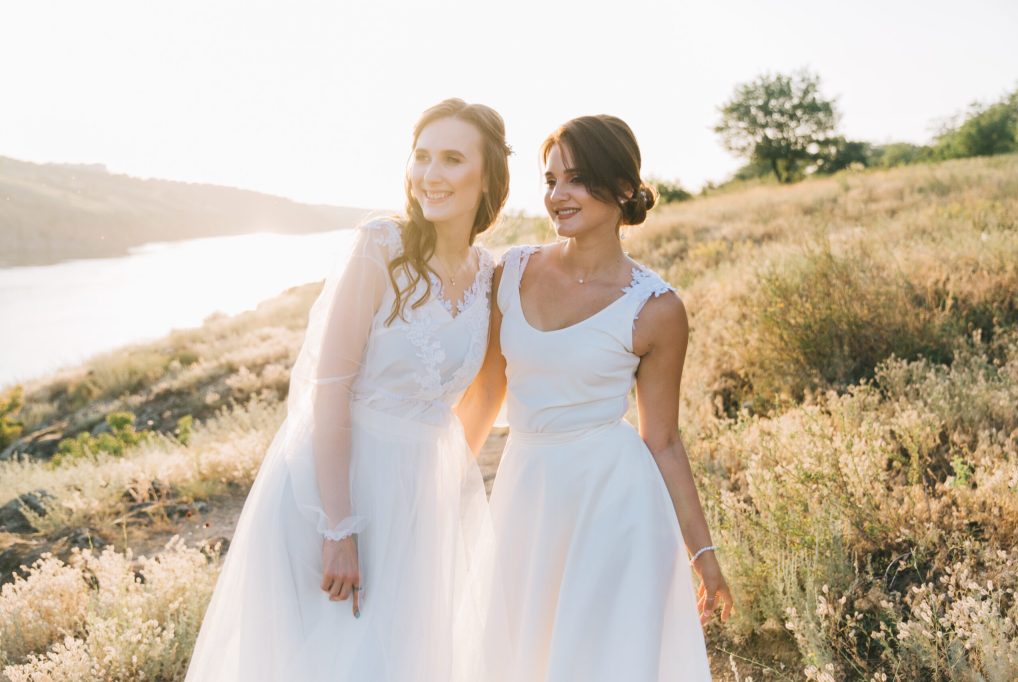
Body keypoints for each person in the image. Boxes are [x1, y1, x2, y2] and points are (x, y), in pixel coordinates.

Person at [185, 98, 512, 681]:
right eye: (422, 157)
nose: (430, 175)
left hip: (417, 494)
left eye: (453, 159)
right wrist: (338, 526)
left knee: (403, 656)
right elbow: (329, 388)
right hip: (337, 485)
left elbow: (481, 397)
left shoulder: (491, 274)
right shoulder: (380, 246)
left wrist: (445, 491)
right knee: (332, 654)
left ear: (487, 177)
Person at [460, 114, 733, 681]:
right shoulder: (509, 273)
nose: (558, 196)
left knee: (605, 657)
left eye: (576, 179)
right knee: (524, 651)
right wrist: (437, 490)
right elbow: (486, 394)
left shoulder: (656, 309)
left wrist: (703, 556)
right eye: (551, 180)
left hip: (616, 499)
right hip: (528, 489)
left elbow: (662, 439)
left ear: (625, 188)